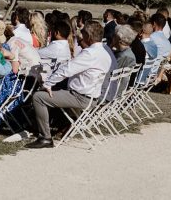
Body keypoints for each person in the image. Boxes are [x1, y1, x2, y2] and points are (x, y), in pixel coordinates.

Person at [26, 20, 111, 149]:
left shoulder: (90, 54)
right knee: (54, 91)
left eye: (82, 34)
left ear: (88, 36)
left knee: (38, 97)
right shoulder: (105, 53)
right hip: (92, 97)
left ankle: (45, 137)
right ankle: (52, 126)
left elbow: (67, 69)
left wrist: (48, 84)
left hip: (80, 97)